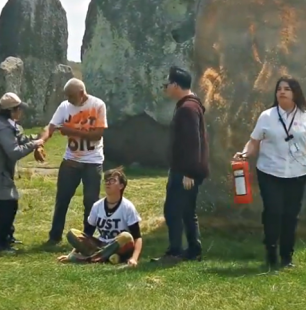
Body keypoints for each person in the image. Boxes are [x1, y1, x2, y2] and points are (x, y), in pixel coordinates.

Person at [234, 76, 306, 270]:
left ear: (295, 93)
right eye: (279, 89)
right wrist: (244, 154)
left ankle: (287, 255)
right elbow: (254, 141)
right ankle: (271, 251)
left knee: (291, 215)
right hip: (270, 171)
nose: (282, 92)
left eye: (287, 89)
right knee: (273, 212)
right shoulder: (266, 116)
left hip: (297, 173)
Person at [39, 78, 108, 245]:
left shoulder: (98, 105)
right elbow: (50, 127)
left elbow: (98, 134)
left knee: (91, 201)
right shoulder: (64, 106)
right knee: (62, 199)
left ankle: (87, 238)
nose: (68, 99)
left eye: (70, 96)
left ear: (81, 93)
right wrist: (41, 142)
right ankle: (54, 236)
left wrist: (72, 130)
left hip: (93, 161)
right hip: (71, 160)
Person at [154, 66, 209, 263]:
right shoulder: (190, 105)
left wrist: (189, 172)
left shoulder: (187, 108)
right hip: (187, 169)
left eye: (167, 84)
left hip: (185, 171)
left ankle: (175, 251)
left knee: (173, 210)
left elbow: (192, 141)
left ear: (176, 85)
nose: (165, 88)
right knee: (187, 211)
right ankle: (194, 250)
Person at [0, 93, 45, 253]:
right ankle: (1, 243)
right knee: (8, 207)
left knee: (9, 205)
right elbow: (14, 152)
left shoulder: (6, 124)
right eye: (19, 109)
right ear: (11, 111)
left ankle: (8, 236)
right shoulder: (2, 129)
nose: (21, 112)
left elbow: (19, 139)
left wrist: (34, 138)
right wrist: (34, 144)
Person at [57, 168, 143, 266]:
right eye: (106, 180)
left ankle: (88, 258)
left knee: (126, 237)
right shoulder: (97, 206)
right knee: (72, 233)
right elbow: (87, 233)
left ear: (121, 186)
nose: (108, 183)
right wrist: (71, 254)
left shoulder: (127, 207)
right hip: (100, 245)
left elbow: (137, 237)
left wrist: (134, 259)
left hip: (119, 245)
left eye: (112, 180)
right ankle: (108, 257)